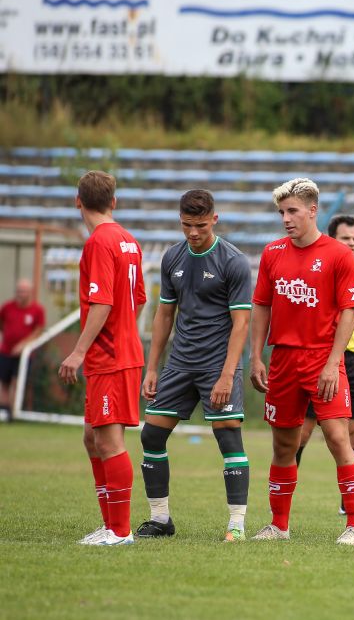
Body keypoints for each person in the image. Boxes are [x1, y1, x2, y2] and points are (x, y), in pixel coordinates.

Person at [249, 178, 354, 545]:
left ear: (313, 211)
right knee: (284, 445)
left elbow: (350, 310)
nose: (286, 218)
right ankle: (279, 525)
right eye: (281, 212)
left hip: (322, 360)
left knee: (337, 437)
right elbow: (261, 306)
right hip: (282, 360)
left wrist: (333, 363)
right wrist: (256, 356)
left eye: (293, 211)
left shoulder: (338, 254)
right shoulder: (272, 253)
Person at [138, 190, 253, 541]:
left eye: (200, 225)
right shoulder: (172, 257)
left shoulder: (233, 261)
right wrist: (153, 367)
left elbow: (241, 324)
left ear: (214, 220)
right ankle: (160, 520)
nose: (193, 232)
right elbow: (164, 314)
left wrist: (226, 374)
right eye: (187, 225)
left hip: (218, 365)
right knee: (152, 434)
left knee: (228, 436)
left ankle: (237, 524)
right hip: (180, 363)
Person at [59, 170, 146, 546]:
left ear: (78, 201)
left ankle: (120, 532)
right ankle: (109, 525)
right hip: (120, 351)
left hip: (109, 355)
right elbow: (139, 297)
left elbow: (103, 301)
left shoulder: (99, 242)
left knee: (109, 442)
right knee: (92, 437)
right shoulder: (128, 240)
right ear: (114, 201)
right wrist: (125, 331)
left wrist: (78, 350)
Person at [296, 215, 354, 518]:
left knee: (353, 432)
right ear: (332, 240)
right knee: (302, 432)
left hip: (352, 360)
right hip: (324, 358)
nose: (352, 244)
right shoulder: (323, 271)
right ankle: (284, 496)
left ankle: (350, 504)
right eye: (346, 239)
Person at [0, 279, 46, 421]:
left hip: (25, 355)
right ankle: (4, 411)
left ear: (30, 292)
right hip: (5, 351)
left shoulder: (37, 310)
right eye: (19, 290)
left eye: (24, 291)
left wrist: (23, 345)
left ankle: (13, 414)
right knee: (3, 382)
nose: (20, 294)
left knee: (16, 382)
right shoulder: (7, 307)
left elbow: (39, 330)